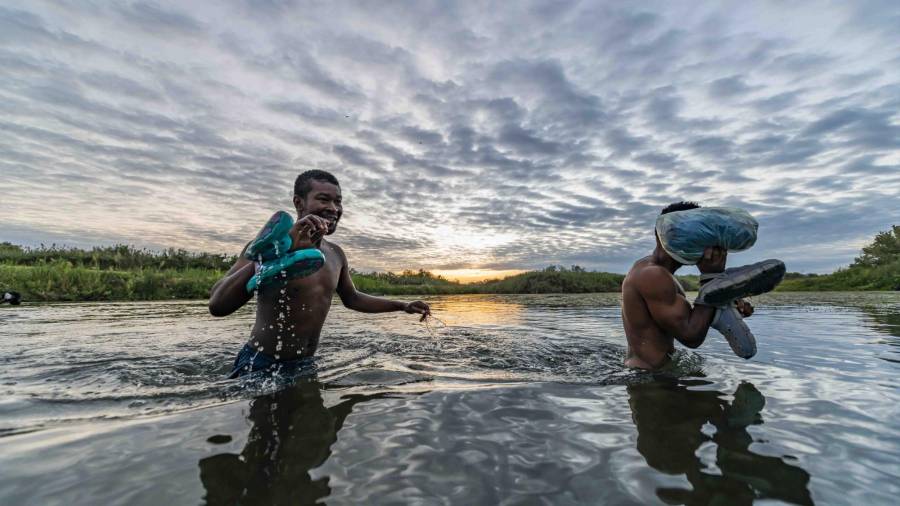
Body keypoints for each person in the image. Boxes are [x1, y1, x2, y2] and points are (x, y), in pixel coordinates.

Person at [208, 170, 430, 377]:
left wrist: (402, 305)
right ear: (299, 202)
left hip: (306, 364)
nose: (334, 208)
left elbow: (352, 298)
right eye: (324, 199)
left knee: (319, 420)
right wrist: (277, 253)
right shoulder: (265, 247)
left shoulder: (335, 254)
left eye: (338, 201)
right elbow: (218, 305)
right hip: (261, 365)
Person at [621, 202, 753, 369]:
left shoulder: (656, 271)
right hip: (651, 383)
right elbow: (691, 336)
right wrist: (711, 279)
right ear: (672, 234)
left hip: (658, 374)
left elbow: (689, 318)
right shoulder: (653, 275)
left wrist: (726, 302)